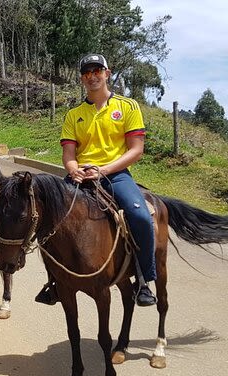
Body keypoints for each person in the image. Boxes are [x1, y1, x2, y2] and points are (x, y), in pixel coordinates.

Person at [35, 53, 157, 307]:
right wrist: (73, 169)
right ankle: (54, 281)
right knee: (48, 218)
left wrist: (104, 170)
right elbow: (68, 154)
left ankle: (144, 280)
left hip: (115, 175)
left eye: (97, 70)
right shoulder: (74, 114)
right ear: (82, 78)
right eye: (87, 72)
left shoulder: (128, 106)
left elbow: (136, 149)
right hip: (81, 177)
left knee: (141, 217)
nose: (92, 76)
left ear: (107, 73)